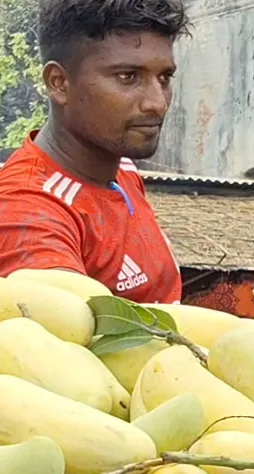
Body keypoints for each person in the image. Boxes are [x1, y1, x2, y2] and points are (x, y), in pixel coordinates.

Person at [0, 0, 189, 304]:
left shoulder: (122, 168)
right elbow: (66, 339)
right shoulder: (26, 213)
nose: (157, 102)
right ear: (59, 83)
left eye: (164, 78)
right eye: (128, 77)